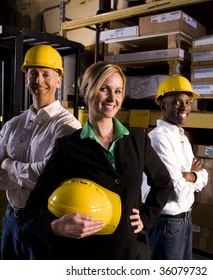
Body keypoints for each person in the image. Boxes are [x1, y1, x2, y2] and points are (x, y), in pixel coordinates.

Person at [20, 61, 174, 259]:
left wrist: (145, 217)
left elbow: (163, 183)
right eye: (104, 89)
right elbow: (31, 213)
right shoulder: (68, 147)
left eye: (118, 91)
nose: (112, 98)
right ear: (87, 91)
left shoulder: (138, 140)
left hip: (125, 256)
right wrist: (55, 227)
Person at [0, 44, 82, 259]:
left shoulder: (67, 127)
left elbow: (52, 179)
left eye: (46, 74)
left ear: (58, 79)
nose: (39, 81)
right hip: (11, 218)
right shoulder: (13, 125)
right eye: (33, 73)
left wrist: (8, 165)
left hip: (43, 220)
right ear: (26, 78)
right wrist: (30, 180)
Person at [142, 75, 208, 260]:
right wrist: (192, 176)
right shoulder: (158, 138)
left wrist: (191, 175)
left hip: (185, 219)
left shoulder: (183, 138)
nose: (184, 107)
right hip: (167, 222)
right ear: (163, 105)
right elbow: (175, 190)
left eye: (187, 102)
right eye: (177, 102)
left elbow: (203, 177)